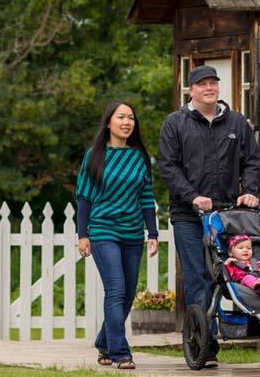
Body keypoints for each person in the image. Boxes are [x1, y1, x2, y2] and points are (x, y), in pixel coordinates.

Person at [158, 65, 260, 369]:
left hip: (229, 215)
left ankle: (241, 327)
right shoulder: (174, 124)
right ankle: (204, 345)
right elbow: (168, 167)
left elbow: (251, 162)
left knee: (231, 274)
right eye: (202, 84)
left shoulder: (237, 122)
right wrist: (192, 196)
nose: (209, 88)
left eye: (213, 83)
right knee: (198, 278)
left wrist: (251, 190)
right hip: (188, 216)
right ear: (191, 91)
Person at [74, 101, 159, 370]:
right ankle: (122, 353)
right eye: (121, 117)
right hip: (102, 231)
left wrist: (152, 232)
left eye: (131, 118)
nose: (127, 122)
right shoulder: (94, 156)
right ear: (108, 122)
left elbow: (146, 197)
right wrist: (82, 235)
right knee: (116, 290)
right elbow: (84, 198)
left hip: (133, 233)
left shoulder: (138, 157)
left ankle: (104, 342)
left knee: (129, 294)